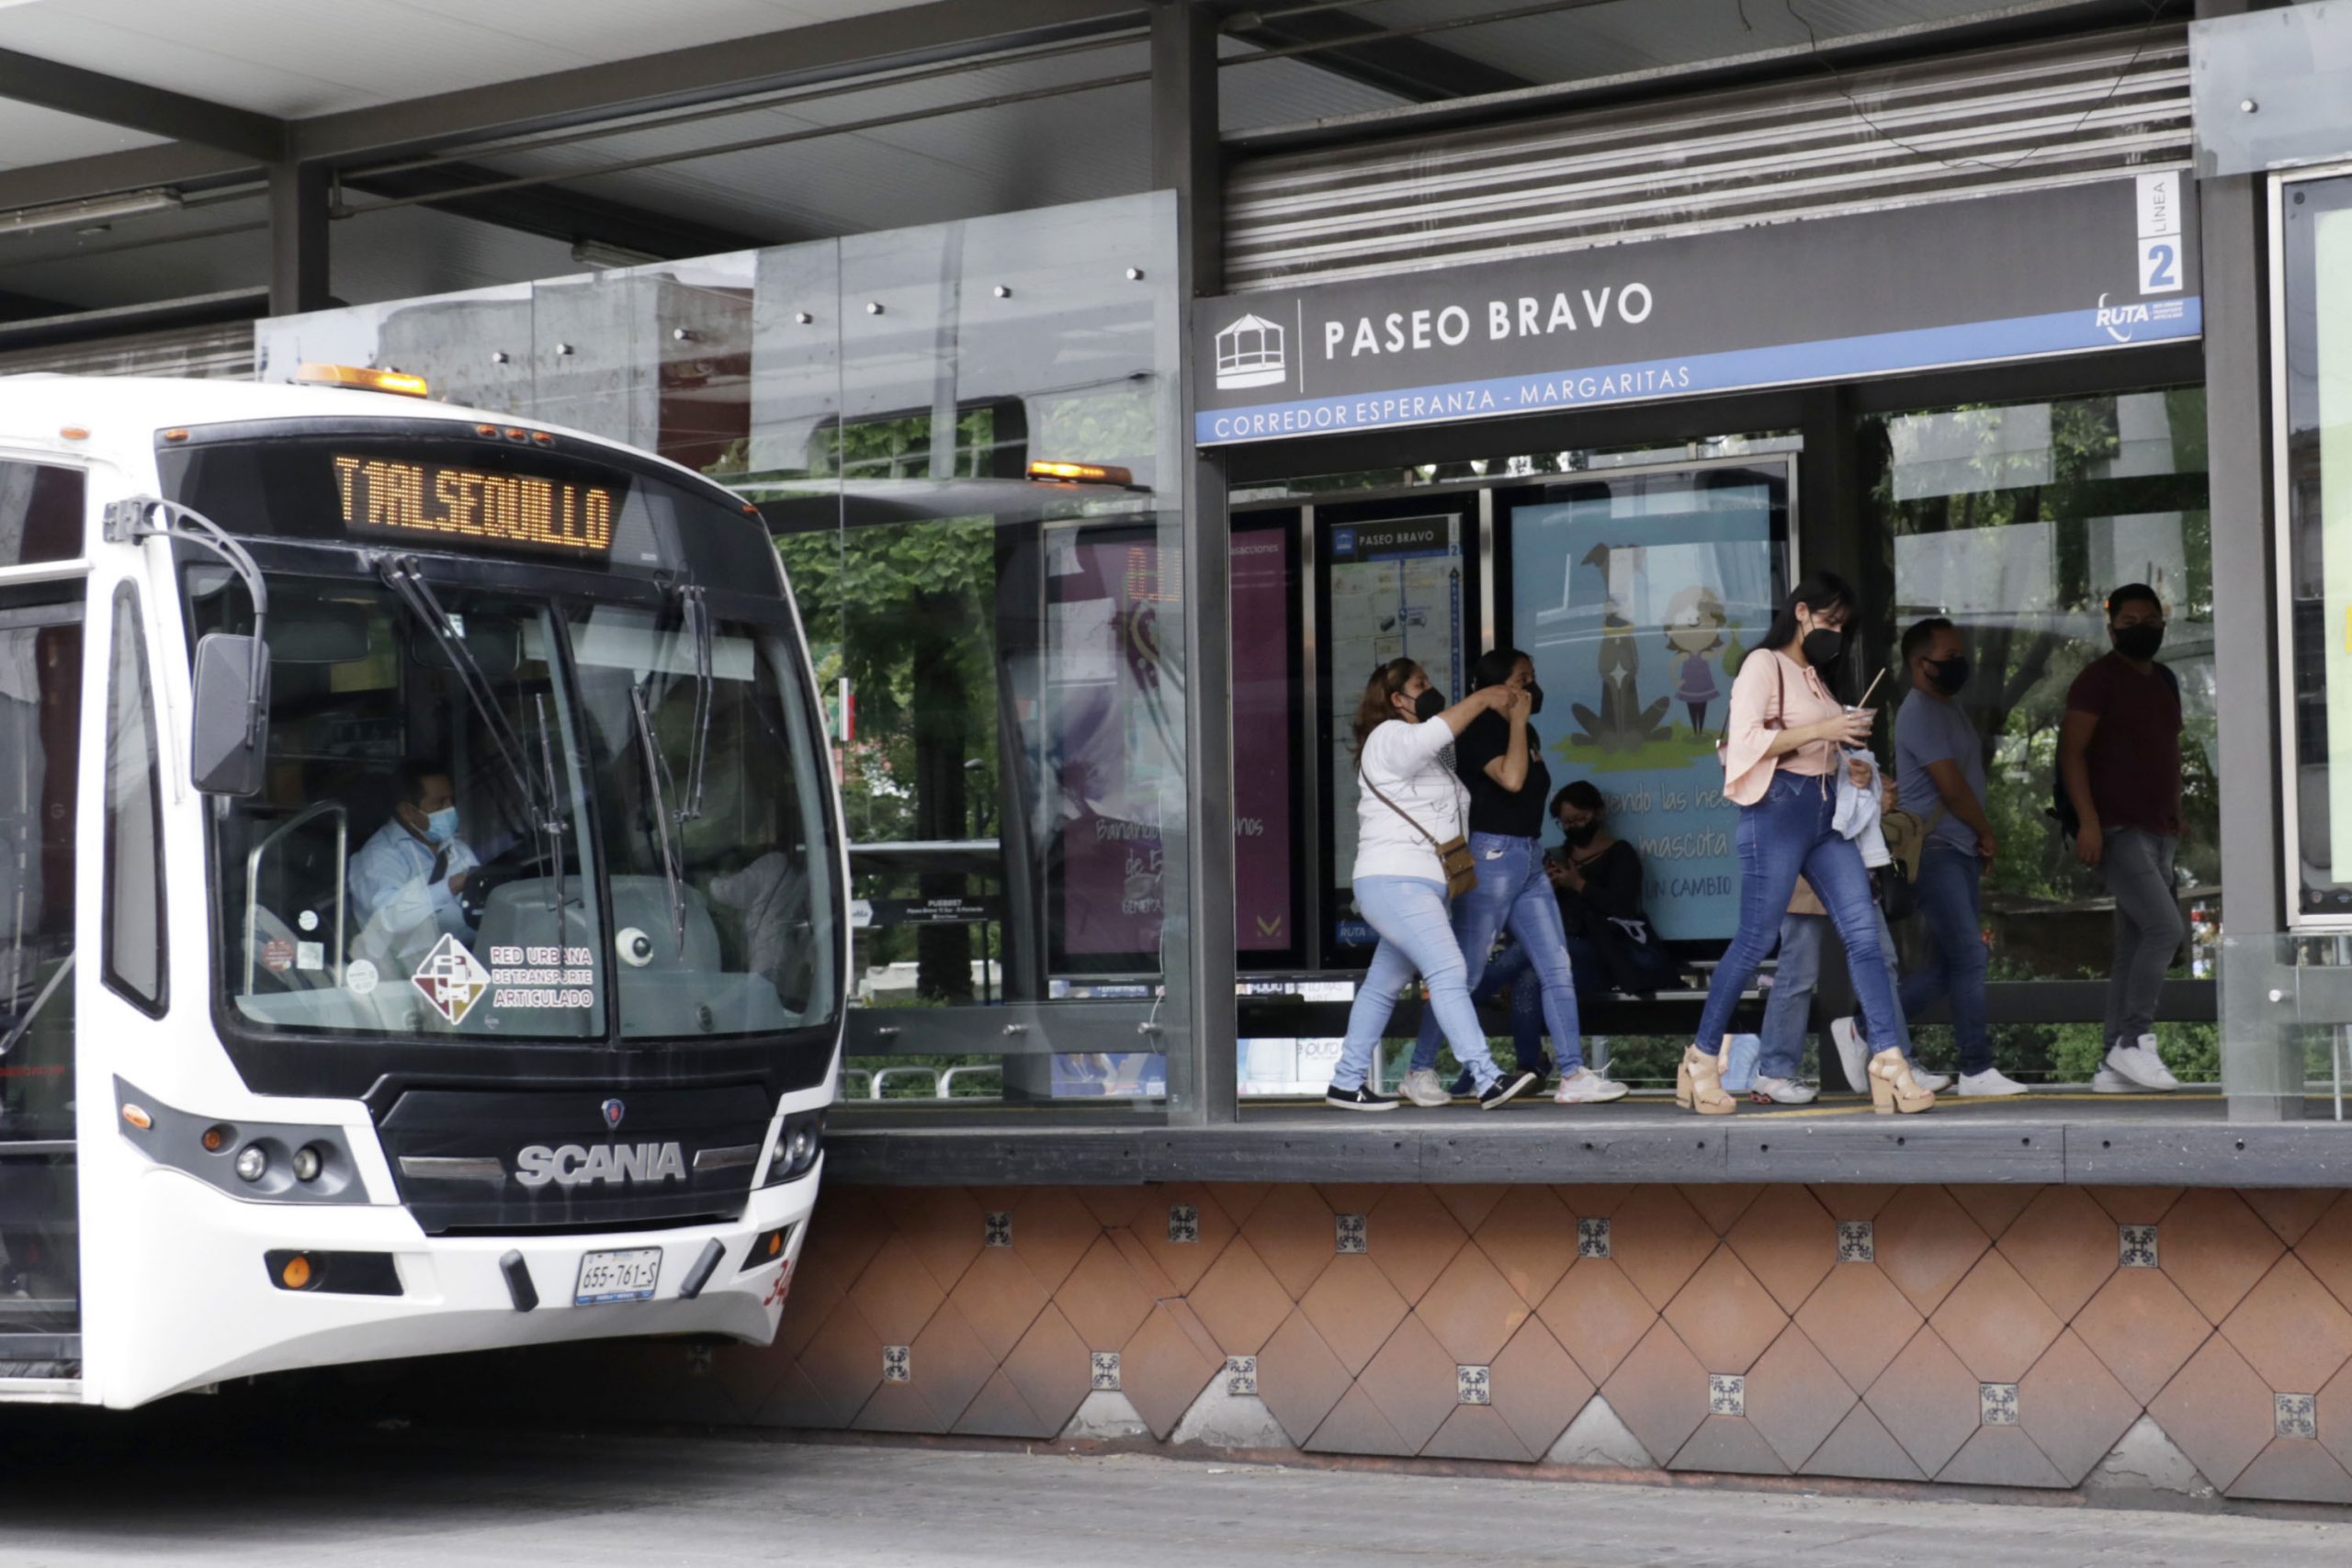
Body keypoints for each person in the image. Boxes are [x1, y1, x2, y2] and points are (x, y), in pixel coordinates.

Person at [1680, 572, 1936, 1116]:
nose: (1836, 632)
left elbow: (1824, 749)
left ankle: (1890, 1058)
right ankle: (1701, 1060)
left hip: (1824, 817)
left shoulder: (1816, 677)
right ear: (1801, 612)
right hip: (1774, 813)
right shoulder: (1763, 665)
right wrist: (1827, 732)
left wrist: (1855, 767)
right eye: (1830, 620)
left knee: (1864, 937)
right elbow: (1744, 741)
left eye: (1843, 625)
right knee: (1753, 942)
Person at [1399, 650, 1627, 1108]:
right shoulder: (1478, 729)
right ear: (1500, 687)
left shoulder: (1527, 728)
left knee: (1555, 965)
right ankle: (1419, 1069)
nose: (1532, 689)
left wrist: (1523, 724)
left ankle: (1572, 1073)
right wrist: (1517, 723)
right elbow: (1512, 779)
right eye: (1523, 679)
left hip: (1526, 854)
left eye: (1533, 679)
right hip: (1491, 854)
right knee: (1463, 971)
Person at [1326, 659, 1539, 1111]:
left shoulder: (1426, 755)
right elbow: (1433, 733)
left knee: (1383, 985)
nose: (1431, 689)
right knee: (1448, 971)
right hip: (1396, 881)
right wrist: (1482, 697)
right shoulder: (1389, 737)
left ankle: (1346, 1081)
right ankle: (1486, 1076)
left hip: (1413, 886)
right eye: (1420, 685)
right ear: (1397, 700)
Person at [1750, 771, 1952, 1104]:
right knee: (1798, 972)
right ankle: (1774, 1071)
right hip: (1807, 861)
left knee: (1882, 962)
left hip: (1853, 865)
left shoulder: (1838, 733)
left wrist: (1876, 785)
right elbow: (1805, 794)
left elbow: (1850, 778)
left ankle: (1898, 1060)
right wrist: (1872, 796)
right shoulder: (1798, 733)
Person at [1893, 616, 2027, 1097]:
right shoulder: (1920, 712)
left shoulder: (1948, 709)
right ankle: (1976, 1067)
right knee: (1971, 955)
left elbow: (1963, 784)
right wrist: (1985, 831)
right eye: (1947, 657)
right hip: (1935, 851)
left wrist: (1977, 841)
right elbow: (1950, 787)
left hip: (1958, 848)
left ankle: (1868, 1029)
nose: (1958, 664)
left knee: (1945, 969)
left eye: (1959, 655)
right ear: (1918, 663)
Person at [2060, 583, 2186, 1094]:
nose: (2141, 628)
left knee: (2134, 944)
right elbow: (2071, 753)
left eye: (2149, 619)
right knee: (2165, 929)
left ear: (2163, 622)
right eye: (2129, 621)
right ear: (2111, 629)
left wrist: (2176, 811)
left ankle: (2112, 1064)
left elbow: (2167, 748)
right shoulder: (2096, 681)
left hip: (2161, 828)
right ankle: (2134, 1039)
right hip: (2116, 827)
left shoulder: (2166, 680)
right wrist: (2088, 820)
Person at [349, 759, 483, 964]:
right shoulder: (379, 856)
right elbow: (389, 918)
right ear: (407, 811)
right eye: (439, 803)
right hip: (406, 976)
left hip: (465, 962)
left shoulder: (456, 848)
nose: (450, 809)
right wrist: (449, 886)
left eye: (451, 800)